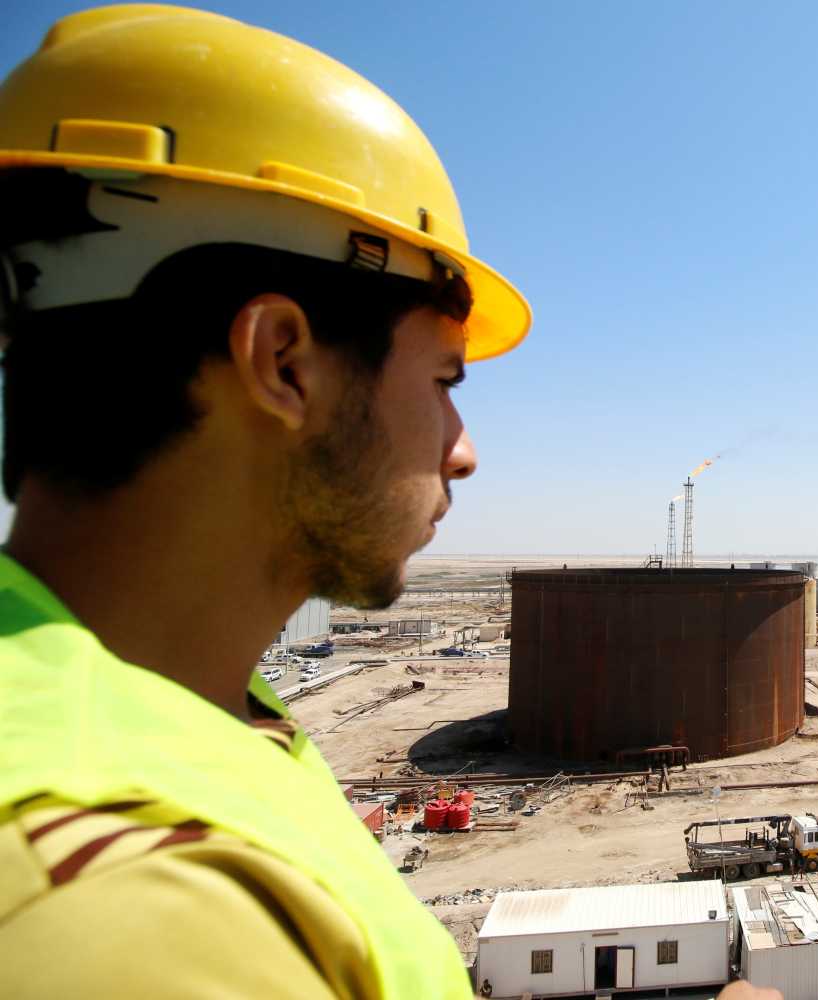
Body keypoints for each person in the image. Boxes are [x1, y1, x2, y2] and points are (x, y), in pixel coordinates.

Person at [0, 5, 529, 997]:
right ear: (283, 362)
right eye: (443, 381)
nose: (463, 453)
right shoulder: (122, 904)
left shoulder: (180, 708)